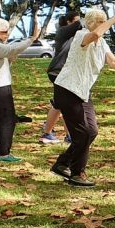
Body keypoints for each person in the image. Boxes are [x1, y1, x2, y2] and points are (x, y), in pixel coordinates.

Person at [50, 7, 115, 187]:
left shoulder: (102, 43)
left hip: (82, 91)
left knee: (91, 131)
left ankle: (62, 164)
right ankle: (77, 174)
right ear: (90, 23)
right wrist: (112, 20)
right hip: (67, 89)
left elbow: (112, 61)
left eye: (104, 21)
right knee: (82, 133)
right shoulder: (81, 36)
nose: (103, 25)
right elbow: (94, 35)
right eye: (99, 22)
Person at [0, 16, 40, 162]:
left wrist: (10, 58)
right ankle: (4, 154)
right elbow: (13, 48)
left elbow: (7, 57)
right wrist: (32, 38)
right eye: (4, 32)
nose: (7, 35)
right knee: (7, 119)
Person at [41, 11, 83, 144]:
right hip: (58, 72)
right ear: (69, 22)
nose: (79, 25)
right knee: (65, 104)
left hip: (65, 73)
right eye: (76, 22)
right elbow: (84, 24)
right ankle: (67, 135)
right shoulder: (63, 32)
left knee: (60, 104)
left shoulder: (77, 36)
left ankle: (50, 133)